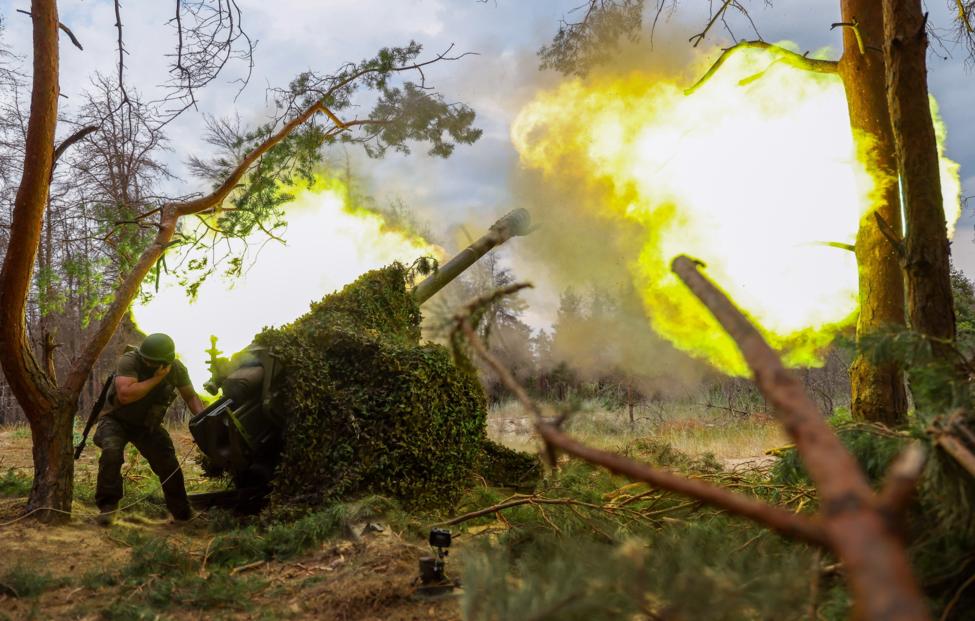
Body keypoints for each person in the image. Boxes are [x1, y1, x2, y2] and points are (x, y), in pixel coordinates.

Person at [93, 333, 204, 526]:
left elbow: (191, 397)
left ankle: (182, 514)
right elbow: (125, 395)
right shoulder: (130, 361)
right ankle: (108, 507)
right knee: (111, 452)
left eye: (151, 361)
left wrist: (203, 421)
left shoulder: (176, 369)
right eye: (145, 358)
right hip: (115, 420)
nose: (145, 361)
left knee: (168, 462)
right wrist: (157, 378)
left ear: (165, 362)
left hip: (146, 425)